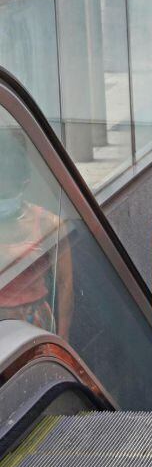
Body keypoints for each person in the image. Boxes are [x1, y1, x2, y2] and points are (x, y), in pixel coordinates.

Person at [0, 130, 72, 337]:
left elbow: (65, 285)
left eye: (8, 192)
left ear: (24, 184)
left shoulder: (50, 224)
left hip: (34, 321)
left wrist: (64, 337)